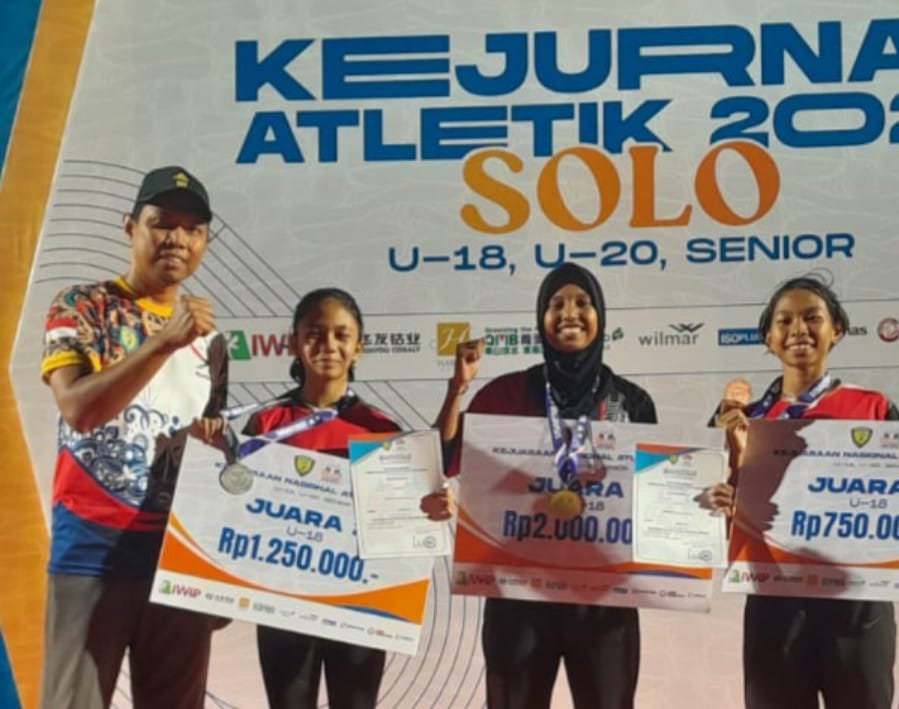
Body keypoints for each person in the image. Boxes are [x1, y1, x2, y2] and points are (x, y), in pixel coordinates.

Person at [707, 274, 899, 709]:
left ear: (836, 330)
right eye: (785, 320)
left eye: (811, 317)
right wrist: (723, 494)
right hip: (775, 604)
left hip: (857, 605)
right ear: (768, 337)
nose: (799, 329)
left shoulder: (872, 407)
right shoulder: (741, 418)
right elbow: (716, 520)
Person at [428, 262, 656, 709]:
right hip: (519, 600)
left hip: (603, 602)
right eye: (556, 304)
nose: (569, 313)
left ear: (600, 316)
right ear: (540, 318)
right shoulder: (502, 394)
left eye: (582, 302)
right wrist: (457, 388)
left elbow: (652, 497)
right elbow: (444, 458)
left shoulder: (630, 402)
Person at [40, 166, 227, 708]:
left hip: (178, 562)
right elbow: (78, 410)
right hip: (92, 552)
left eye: (193, 229)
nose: (177, 239)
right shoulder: (81, 305)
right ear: (130, 227)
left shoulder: (211, 341)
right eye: (162, 223)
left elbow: (207, 447)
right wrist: (162, 343)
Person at [242, 288, 402, 709]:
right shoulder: (264, 422)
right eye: (314, 334)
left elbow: (397, 524)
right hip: (283, 600)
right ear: (293, 343)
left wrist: (428, 509)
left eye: (341, 335)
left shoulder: (380, 429)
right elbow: (236, 510)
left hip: (360, 602)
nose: (328, 345)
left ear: (358, 347)